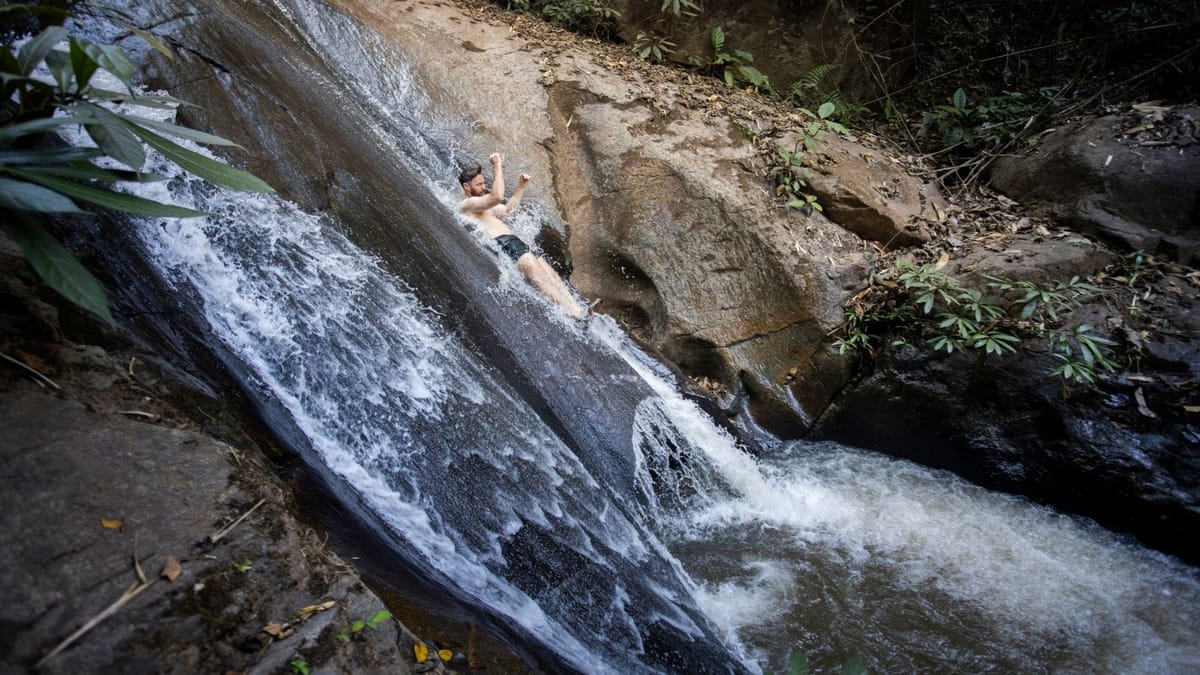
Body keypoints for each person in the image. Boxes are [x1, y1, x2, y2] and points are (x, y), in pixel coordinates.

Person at [458, 153, 589, 320]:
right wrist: (497, 165)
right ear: (467, 187)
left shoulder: (482, 207)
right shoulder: (467, 205)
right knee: (537, 277)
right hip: (505, 244)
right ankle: (574, 315)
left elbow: (506, 210)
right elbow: (496, 196)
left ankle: (579, 310)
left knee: (553, 276)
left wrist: (521, 186)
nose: (484, 187)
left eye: (484, 182)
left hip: (515, 242)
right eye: (479, 184)